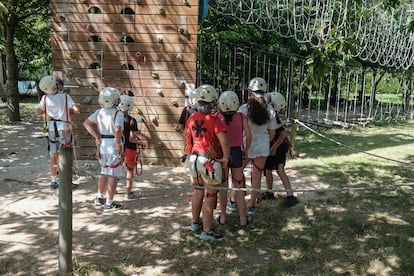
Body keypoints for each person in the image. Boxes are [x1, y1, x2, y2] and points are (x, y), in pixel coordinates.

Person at [185, 84, 230, 241]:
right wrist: (225, 158)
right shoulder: (215, 120)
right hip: (208, 161)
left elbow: (188, 139)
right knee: (210, 195)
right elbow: (224, 141)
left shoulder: (191, 118)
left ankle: (195, 223)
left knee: (197, 192)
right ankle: (207, 231)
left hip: (194, 159)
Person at [236, 77, 276, 215]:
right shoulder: (270, 109)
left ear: (249, 92)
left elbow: (238, 129)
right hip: (262, 146)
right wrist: (265, 142)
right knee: (257, 175)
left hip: (246, 145)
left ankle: (234, 200)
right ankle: (251, 204)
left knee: (237, 172)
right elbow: (272, 132)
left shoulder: (243, 109)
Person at [83, 87, 124, 212]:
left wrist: (96, 137)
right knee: (113, 175)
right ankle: (109, 203)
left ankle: (99, 197)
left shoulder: (99, 112)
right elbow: (117, 129)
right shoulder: (118, 113)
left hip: (103, 144)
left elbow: (86, 123)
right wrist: (118, 143)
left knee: (103, 171)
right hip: (113, 145)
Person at [35, 75, 79, 189]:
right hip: (64, 128)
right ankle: (67, 180)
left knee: (53, 154)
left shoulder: (45, 99)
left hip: (51, 129)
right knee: (66, 154)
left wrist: (48, 112)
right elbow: (76, 110)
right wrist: (68, 112)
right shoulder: (65, 97)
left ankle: (53, 180)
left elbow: (37, 112)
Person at [216, 90, 251, 227]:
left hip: (222, 153)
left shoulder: (216, 116)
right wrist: (246, 150)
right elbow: (248, 135)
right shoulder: (242, 117)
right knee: (238, 185)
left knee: (223, 186)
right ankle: (243, 219)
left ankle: (223, 217)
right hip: (237, 153)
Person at [263, 92, 298, 207]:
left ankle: (290, 196)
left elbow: (283, 135)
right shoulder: (268, 115)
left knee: (280, 170)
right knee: (268, 170)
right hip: (271, 146)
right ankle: (269, 192)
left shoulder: (275, 118)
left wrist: (273, 148)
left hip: (279, 147)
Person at [119, 94, 142, 200]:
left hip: (118, 147)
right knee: (130, 171)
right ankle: (128, 193)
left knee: (114, 169)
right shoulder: (132, 120)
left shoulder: (115, 117)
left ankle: (111, 191)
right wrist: (140, 142)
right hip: (129, 148)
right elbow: (131, 138)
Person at [178, 89, 198, 162]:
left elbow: (181, 126)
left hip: (189, 140)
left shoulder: (186, 110)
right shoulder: (204, 111)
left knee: (192, 164)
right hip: (201, 142)